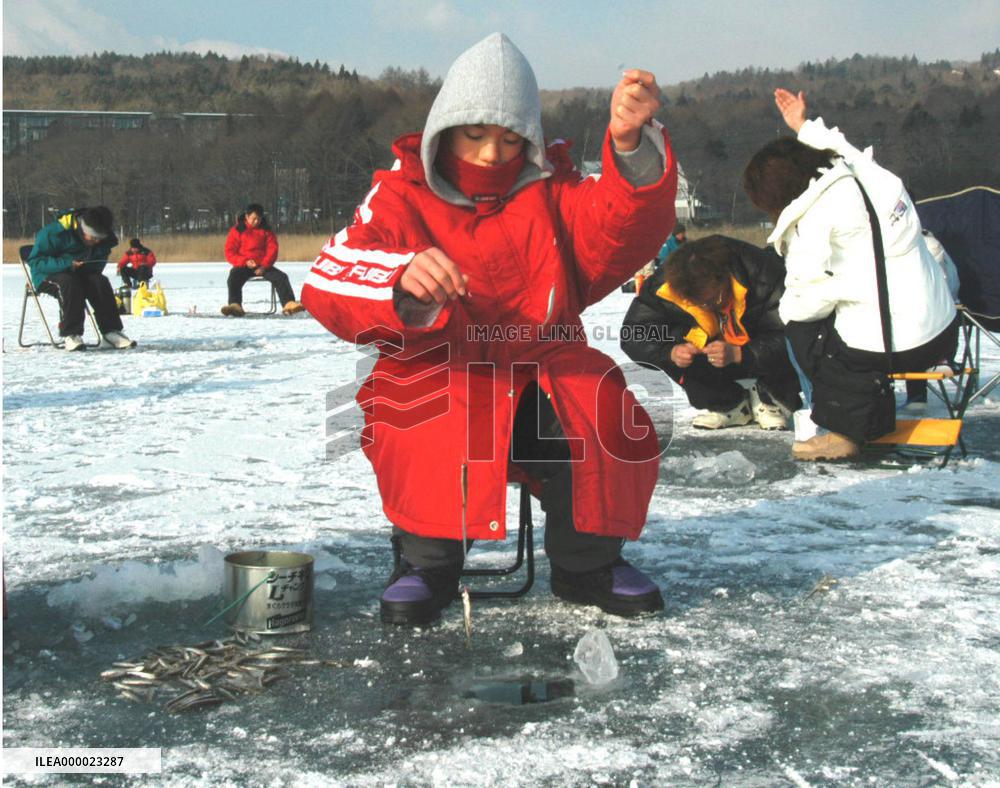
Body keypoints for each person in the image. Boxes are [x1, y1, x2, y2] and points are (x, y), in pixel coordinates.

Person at [301, 33, 678, 625]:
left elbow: (620, 231)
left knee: (604, 406)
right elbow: (330, 275)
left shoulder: (556, 191)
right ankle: (427, 563)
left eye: (508, 139)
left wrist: (630, 150)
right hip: (438, 362)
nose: (489, 155)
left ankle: (588, 563)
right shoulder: (398, 194)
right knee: (427, 415)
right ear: (444, 128)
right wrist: (398, 278)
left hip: (543, 362)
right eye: (474, 135)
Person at [742, 89, 957, 461]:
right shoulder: (878, 179)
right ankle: (858, 416)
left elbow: (805, 302)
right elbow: (845, 151)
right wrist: (803, 126)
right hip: (941, 335)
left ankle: (844, 430)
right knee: (846, 308)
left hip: (890, 350)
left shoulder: (815, 219)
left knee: (799, 326)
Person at [621, 235, 799, 430]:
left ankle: (772, 399)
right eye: (696, 304)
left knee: (801, 336)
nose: (706, 308)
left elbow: (792, 333)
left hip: (761, 351)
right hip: (714, 360)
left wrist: (740, 353)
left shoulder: (762, 271)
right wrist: (670, 352)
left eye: (712, 300)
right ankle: (728, 403)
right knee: (671, 343)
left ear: (724, 277)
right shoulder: (663, 286)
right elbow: (634, 334)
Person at [26, 206, 137, 351]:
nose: (97, 242)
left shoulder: (103, 239)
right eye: (93, 237)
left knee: (100, 282)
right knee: (70, 283)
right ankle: (71, 334)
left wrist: (88, 267)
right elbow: (36, 262)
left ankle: (111, 332)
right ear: (83, 230)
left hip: (80, 274)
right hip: (47, 276)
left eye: (100, 239)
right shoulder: (52, 233)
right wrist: (67, 264)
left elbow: (98, 266)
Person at [221, 204, 304, 316]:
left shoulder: (266, 230)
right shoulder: (237, 230)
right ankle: (235, 306)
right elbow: (229, 252)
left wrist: (264, 266)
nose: (256, 221)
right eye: (253, 219)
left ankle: (289, 304)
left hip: (263, 265)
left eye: (258, 219)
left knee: (281, 277)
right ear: (247, 217)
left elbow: (272, 250)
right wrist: (244, 261)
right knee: (233, 277)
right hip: (243, 265)